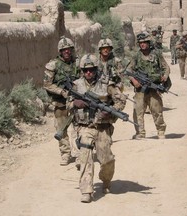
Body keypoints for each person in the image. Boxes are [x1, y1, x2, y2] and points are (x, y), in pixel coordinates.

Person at [68, 54, 126, 203]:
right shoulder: (76, 85)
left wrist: (111, 110)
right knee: (85, 155)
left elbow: (121, 100)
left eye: (92, 70)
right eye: (86, 70)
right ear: (82, 70)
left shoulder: (106, 84)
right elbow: (67, 103)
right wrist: (75, 104)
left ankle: (106, 180)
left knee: (106, 159)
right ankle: (86, 190)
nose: (89, 73)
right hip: (84, 127)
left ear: (96, 69)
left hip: (103, 127)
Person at [43, 36, 81, 166]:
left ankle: (78, 153)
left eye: (69, 49)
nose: (67, 52)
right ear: (60, 51)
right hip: (60, 102)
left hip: (76, 101)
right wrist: (61, 92)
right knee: (61, 128)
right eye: (64, 50)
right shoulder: (53, 65)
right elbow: (47, 84)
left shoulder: (78, 63)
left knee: (78, 127)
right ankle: (65, 154)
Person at [129, 32, 170, 139]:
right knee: (138, 111)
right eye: (140, 43)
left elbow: (166, 67)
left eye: (144, 42)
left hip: (153, 88)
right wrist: (134, 80)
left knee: (157, 110)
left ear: (148, 43)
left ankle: (161, 131)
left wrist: (165, 77)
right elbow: (129, 70)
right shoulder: (136, 56)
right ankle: (140, 133)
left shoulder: (156, 54)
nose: (142, 44)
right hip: (140, 89)